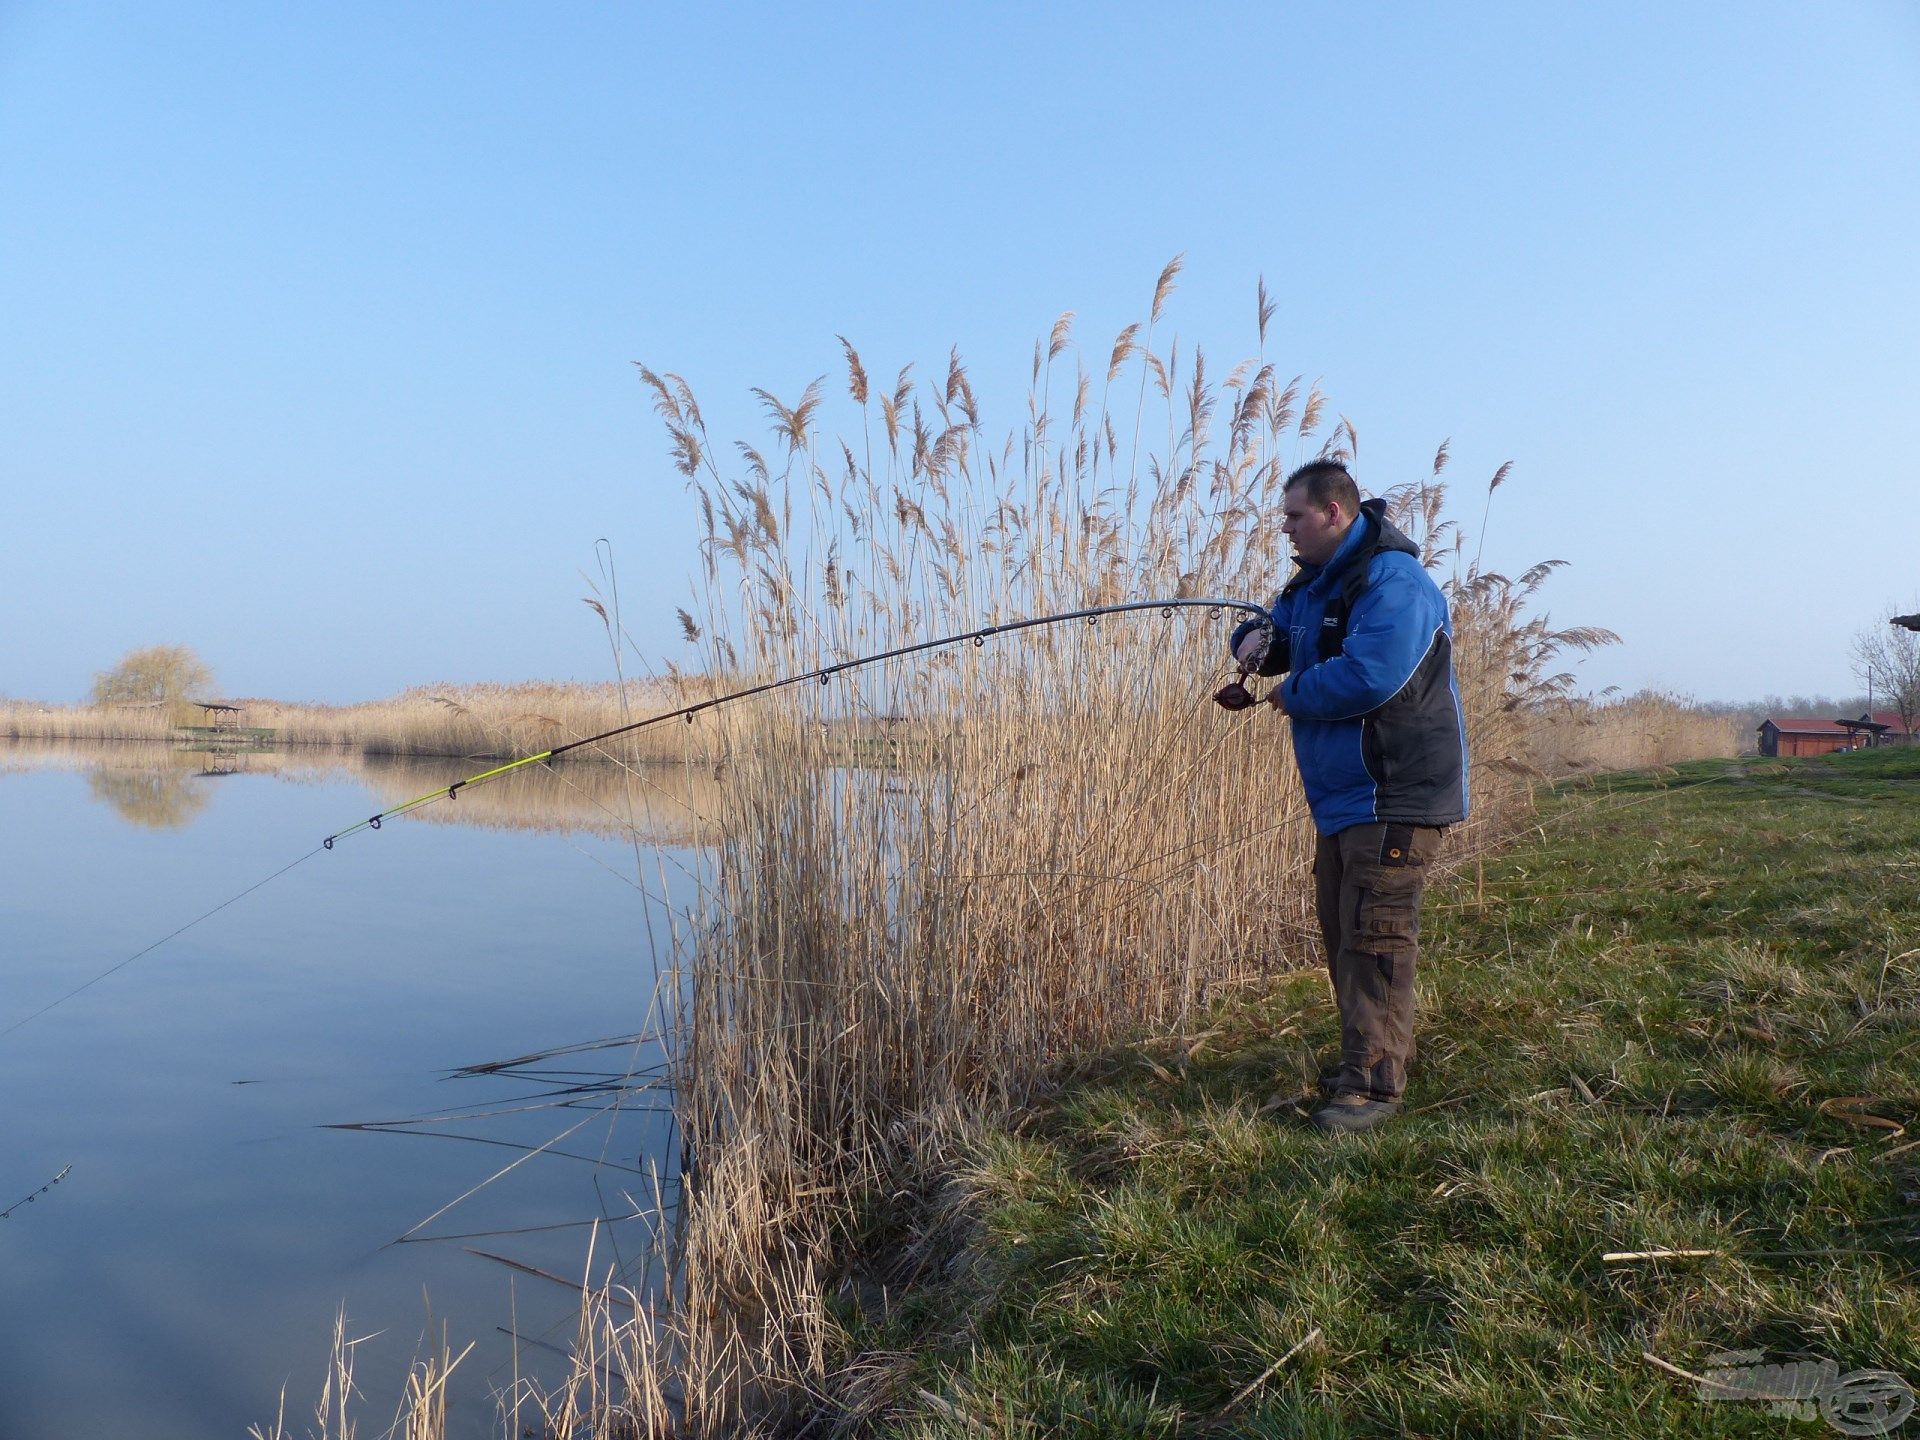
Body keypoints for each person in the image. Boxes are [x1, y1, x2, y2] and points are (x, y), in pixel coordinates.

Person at [1220, 460, 1468, 1133]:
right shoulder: (1311, 584)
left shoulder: (1395, 582)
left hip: (1393, 789)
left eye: (1295, 517)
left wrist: (1289, 694)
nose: (1286, 530)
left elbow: (1371, 675)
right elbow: (1284, 635)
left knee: (1375, 935)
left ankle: (1372, 1088)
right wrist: (1255, 645)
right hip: (1345, 799)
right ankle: (1368, 1058)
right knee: (1343, 929)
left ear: (1336, 512)